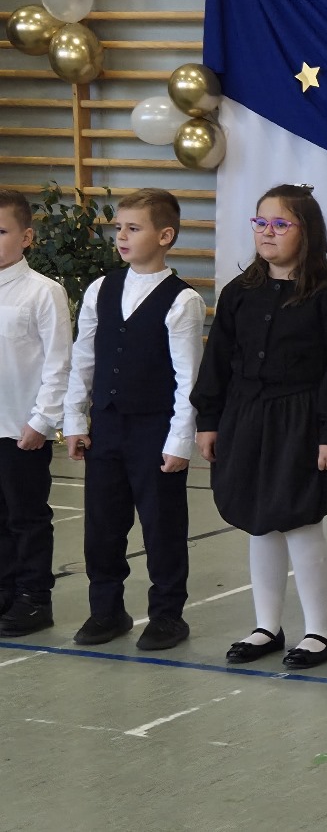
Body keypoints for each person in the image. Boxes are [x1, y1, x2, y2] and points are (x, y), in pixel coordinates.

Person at [194, 184, 327, 670]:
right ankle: (267, 625)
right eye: (261, 223)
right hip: (246, 417)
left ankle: (320, 632)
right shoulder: (238, 293)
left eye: (280, 224)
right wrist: (209, 420)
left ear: (306, 232)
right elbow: (218, 360)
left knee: (300, 522)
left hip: (301, 422)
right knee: (259, 522)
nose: (267, 232)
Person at [63, 188, 204, 650]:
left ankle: (167, 614)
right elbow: (84, 359)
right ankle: (106, 610)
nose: (121, 236)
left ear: (165, 236)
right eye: (118, 227)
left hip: (154, 430)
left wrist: (179, 441)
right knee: (102, 526)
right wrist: (75, 420)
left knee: (162, 526)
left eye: (133, 228)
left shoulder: (182, 300)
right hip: (106, 427)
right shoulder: (100, 289)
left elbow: (188, 378)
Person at [0, 188, 70, 638]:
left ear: (26, 237)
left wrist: (42, 421)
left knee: (26, 516)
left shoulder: (44, 292)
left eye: (1, 231)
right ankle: (4, 589)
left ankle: (34, 597)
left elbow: (58, 362)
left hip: (20, 429)